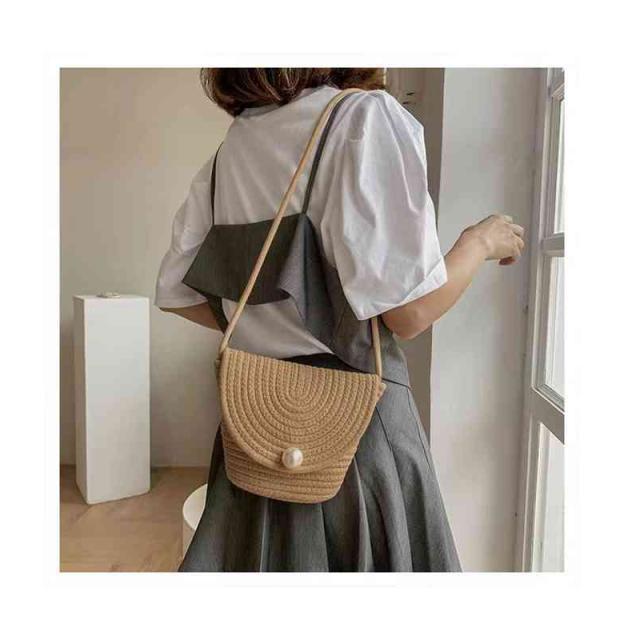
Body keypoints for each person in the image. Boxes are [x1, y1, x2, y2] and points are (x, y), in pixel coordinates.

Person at [154, 68, 525, 572]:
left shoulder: (233, 148)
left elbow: (177, 293)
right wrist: (478, 243)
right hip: (356, 441)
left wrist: (267, 324)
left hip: (254, 428)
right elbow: (410, 313)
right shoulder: (361, 119)